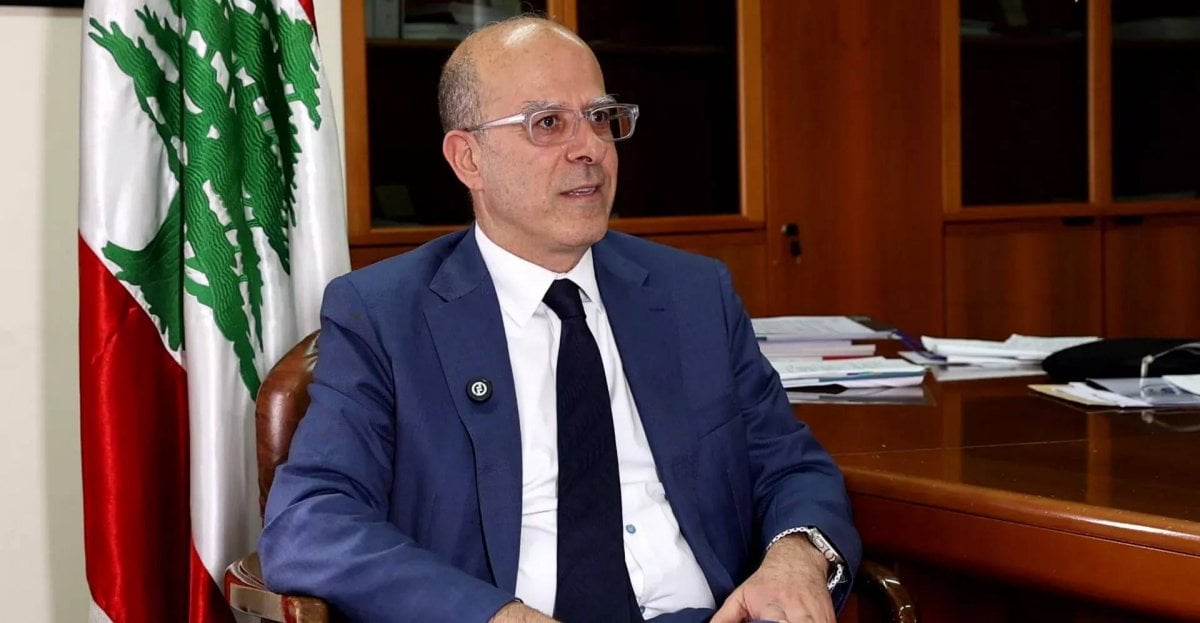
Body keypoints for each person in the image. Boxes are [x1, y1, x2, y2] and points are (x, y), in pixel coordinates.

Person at [259, 16, 860, 623]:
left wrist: (796, 557)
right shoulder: (384, 314)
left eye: (599, 118)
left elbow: (790, 466)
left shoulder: (691, 294)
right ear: (468, 159)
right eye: (548, 123)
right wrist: (495, 616)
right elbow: (311, 521)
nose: (590, 148)